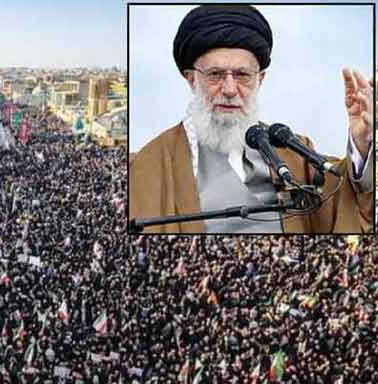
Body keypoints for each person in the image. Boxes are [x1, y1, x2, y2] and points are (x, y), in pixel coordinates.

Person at [129, 5, 374, 233]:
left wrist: (361, 142)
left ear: (260, 79)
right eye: (215, 75)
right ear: (191, 79)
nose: (229, 89)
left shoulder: (293, 150)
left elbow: (344, 194)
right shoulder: (152, 164)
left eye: (242, 75)